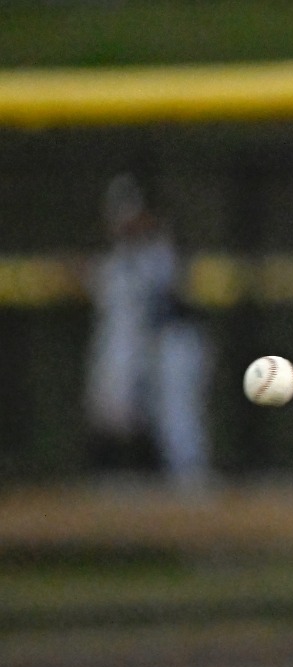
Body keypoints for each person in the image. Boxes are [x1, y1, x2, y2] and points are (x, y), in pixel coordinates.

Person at [85, 174, 212, 492]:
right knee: (131, 412)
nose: (128, 225)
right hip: (151, 345)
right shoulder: (125, 257)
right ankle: (167, 483)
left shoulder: (159, 250)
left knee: (176, 416)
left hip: (175, 339)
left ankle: (191, 482)